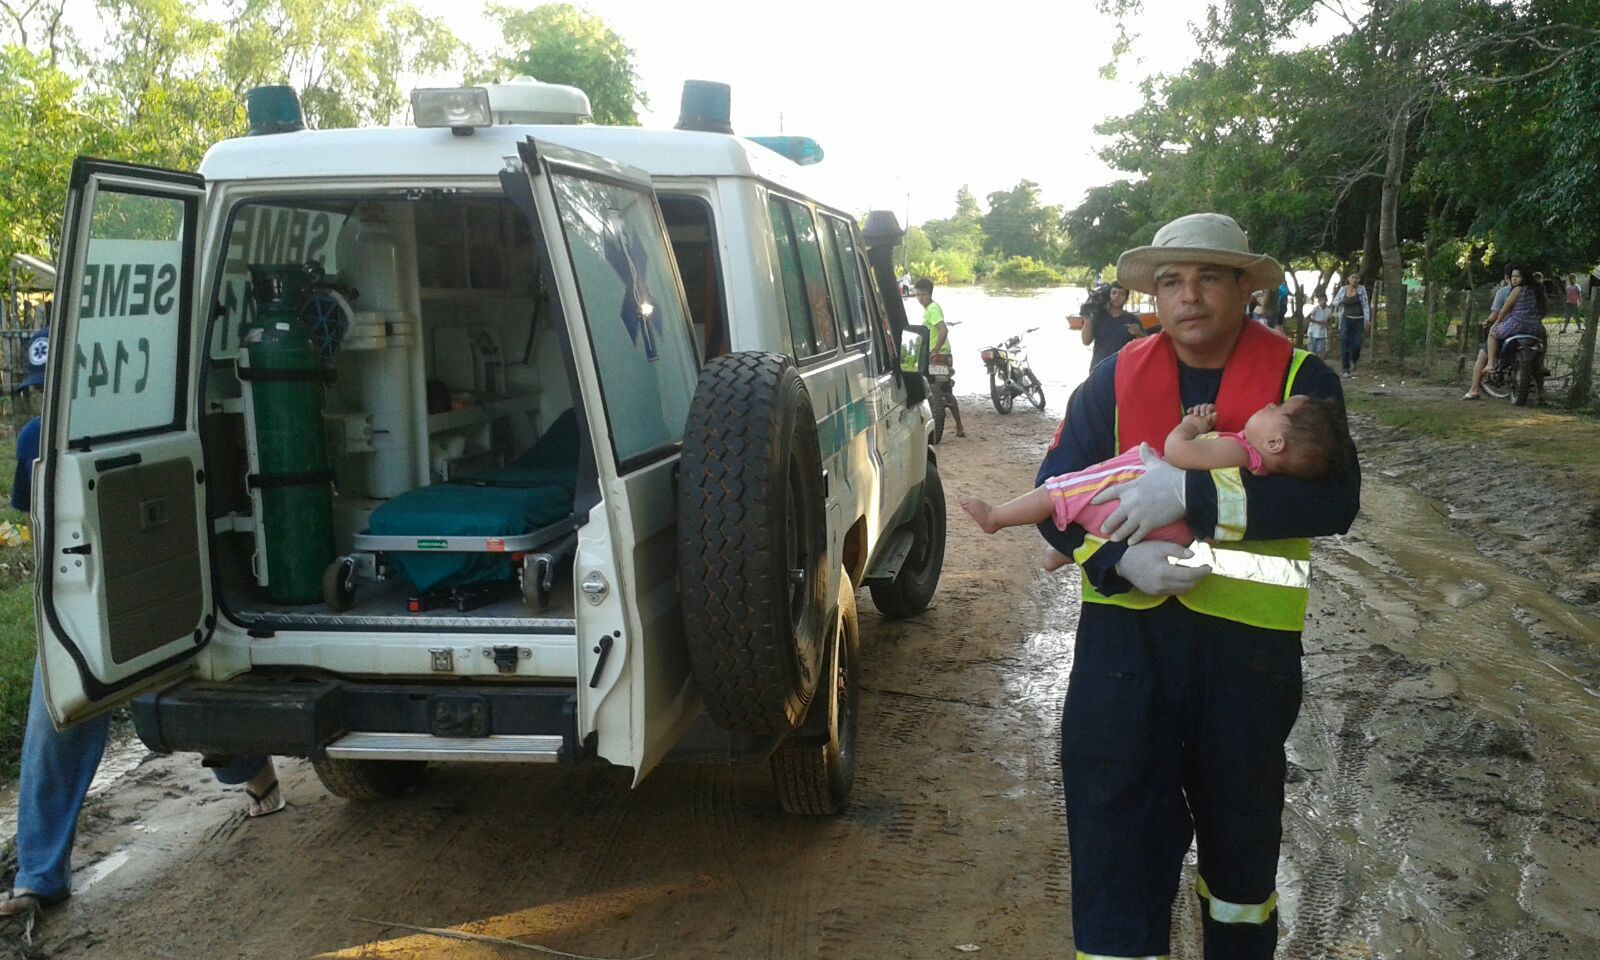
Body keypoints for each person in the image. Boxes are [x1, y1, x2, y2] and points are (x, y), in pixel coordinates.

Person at [1033, 212, 1359, 959]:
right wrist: (1115, 562)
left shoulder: (1301, 380)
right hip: (1124, 656)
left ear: (1243, 287)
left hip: (1247, 667)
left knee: (1242, 864)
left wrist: (1193, 494)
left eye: (1210, 277)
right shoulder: (1111, 380)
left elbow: (1336, 501)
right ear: (1153, 294)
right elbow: (1053, 495)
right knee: (1116, 853)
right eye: (1172, 281)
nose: (1189, 296)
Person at [0, 418, 286, 919]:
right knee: (56, 714)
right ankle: (39, 877)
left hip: (168, 580)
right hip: (88, 598)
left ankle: (253, 770)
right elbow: (41, 534)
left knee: (201, 694)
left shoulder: (147, 420)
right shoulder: (35, 440)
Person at [961, 394, 1351, 571]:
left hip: (1144, 481)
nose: (1269, 403)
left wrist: (1190, 426)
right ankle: (1066, 552)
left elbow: (1178, 453)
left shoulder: (1238, 452)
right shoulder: (1259, 466)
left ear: (1275, 443)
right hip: (1176, 533)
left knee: (1064, 489)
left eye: (1278, 409)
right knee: (1112, 530)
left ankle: (997, 516)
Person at [1463, 265, 1548, 400]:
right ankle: (1540, 388)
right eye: (1513, 276)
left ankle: (1488, 366)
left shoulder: (1512, 291)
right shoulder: (1537, 290)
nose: (1514, 279)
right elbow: (1544, 310)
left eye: (1517, 276)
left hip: (1516, 325)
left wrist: (1495, 323)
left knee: (1492, 333)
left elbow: (1501, 311)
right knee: (1541, 343)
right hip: (1535, 327)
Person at [913, 277, 964, 438]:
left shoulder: (933, 309)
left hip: (939, 356)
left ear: (929, 294)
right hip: (937, 356)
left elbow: (943, 330)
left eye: (923, 295)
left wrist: (934, 350)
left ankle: (958, 426)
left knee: (943, 390)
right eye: (918, 295)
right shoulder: (929, 310)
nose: (920, 298)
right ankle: (959, 426)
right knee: (945, 391)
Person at [1081, 281, 1143, 370]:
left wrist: (1138, 333)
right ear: (1109, 295)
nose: (1117, 296)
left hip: (1122, 370)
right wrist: (1087, 318)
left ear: (1126, 299)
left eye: (1121, 294)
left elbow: (1145, 345)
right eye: (1114, 292)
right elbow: (1086, 341)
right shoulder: (1097, 316)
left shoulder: (1132, 319)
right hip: (1098, 369)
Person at [1329, 270, 1371, 377]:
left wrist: (1367, 320)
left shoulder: (1361, 290)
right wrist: (1341, 301)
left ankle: (1354, 360)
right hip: (1346, 319)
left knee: (1357, 344)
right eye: (1353, 278)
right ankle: (1345, 368)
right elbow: (1334, 301)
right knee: (1344, 341)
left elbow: (1365, 304)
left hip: (1359, 319)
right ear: (1348, 279)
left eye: (1357, 278)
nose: (1355, 280)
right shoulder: (1343, 290)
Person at [1306, 291, 1332, 357]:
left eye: (1324, 300)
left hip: (1322, 332)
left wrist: (1327, 324)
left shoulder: (1328, 310)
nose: (1323, 302)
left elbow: (1330, 321)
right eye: (1321, 300)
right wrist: (1318, 322)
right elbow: (1308, 318)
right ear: (1319, 301)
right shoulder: (1316, 308)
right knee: (1311, 350)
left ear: (1326, 300)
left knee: (1320, 350)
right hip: (1313, 331)